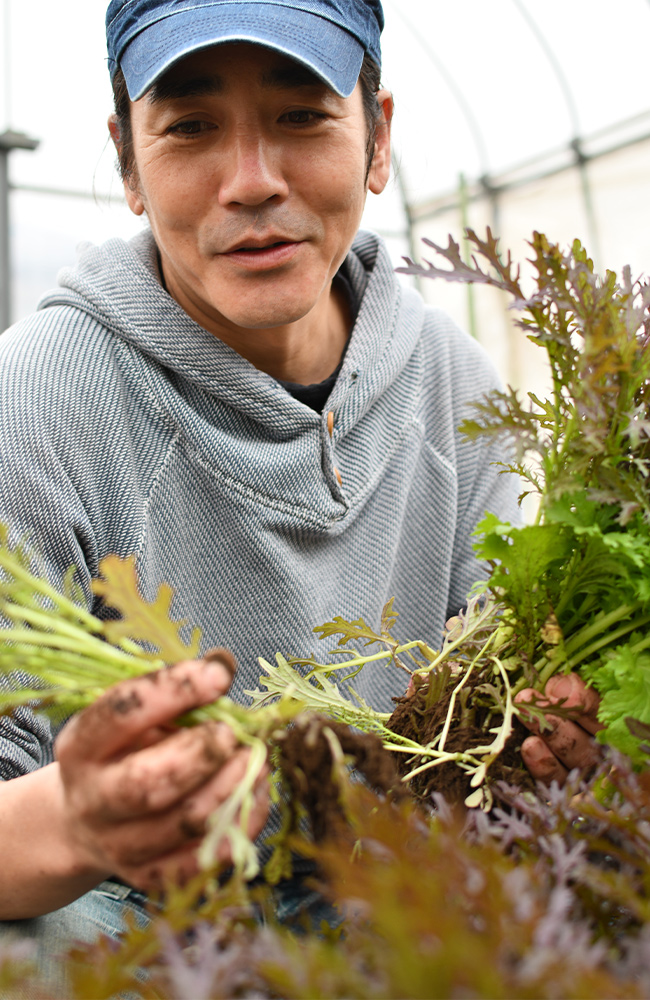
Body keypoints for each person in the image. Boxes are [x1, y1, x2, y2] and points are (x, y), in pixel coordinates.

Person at [0, 0, 600, 980]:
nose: (252, 181)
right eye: (191, 126)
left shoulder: (451, 385)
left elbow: (487, 721)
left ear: (377, 138)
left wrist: (541, 740)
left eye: (301, 115)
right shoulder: (34, 402)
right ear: (127, 163)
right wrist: (75, 821)